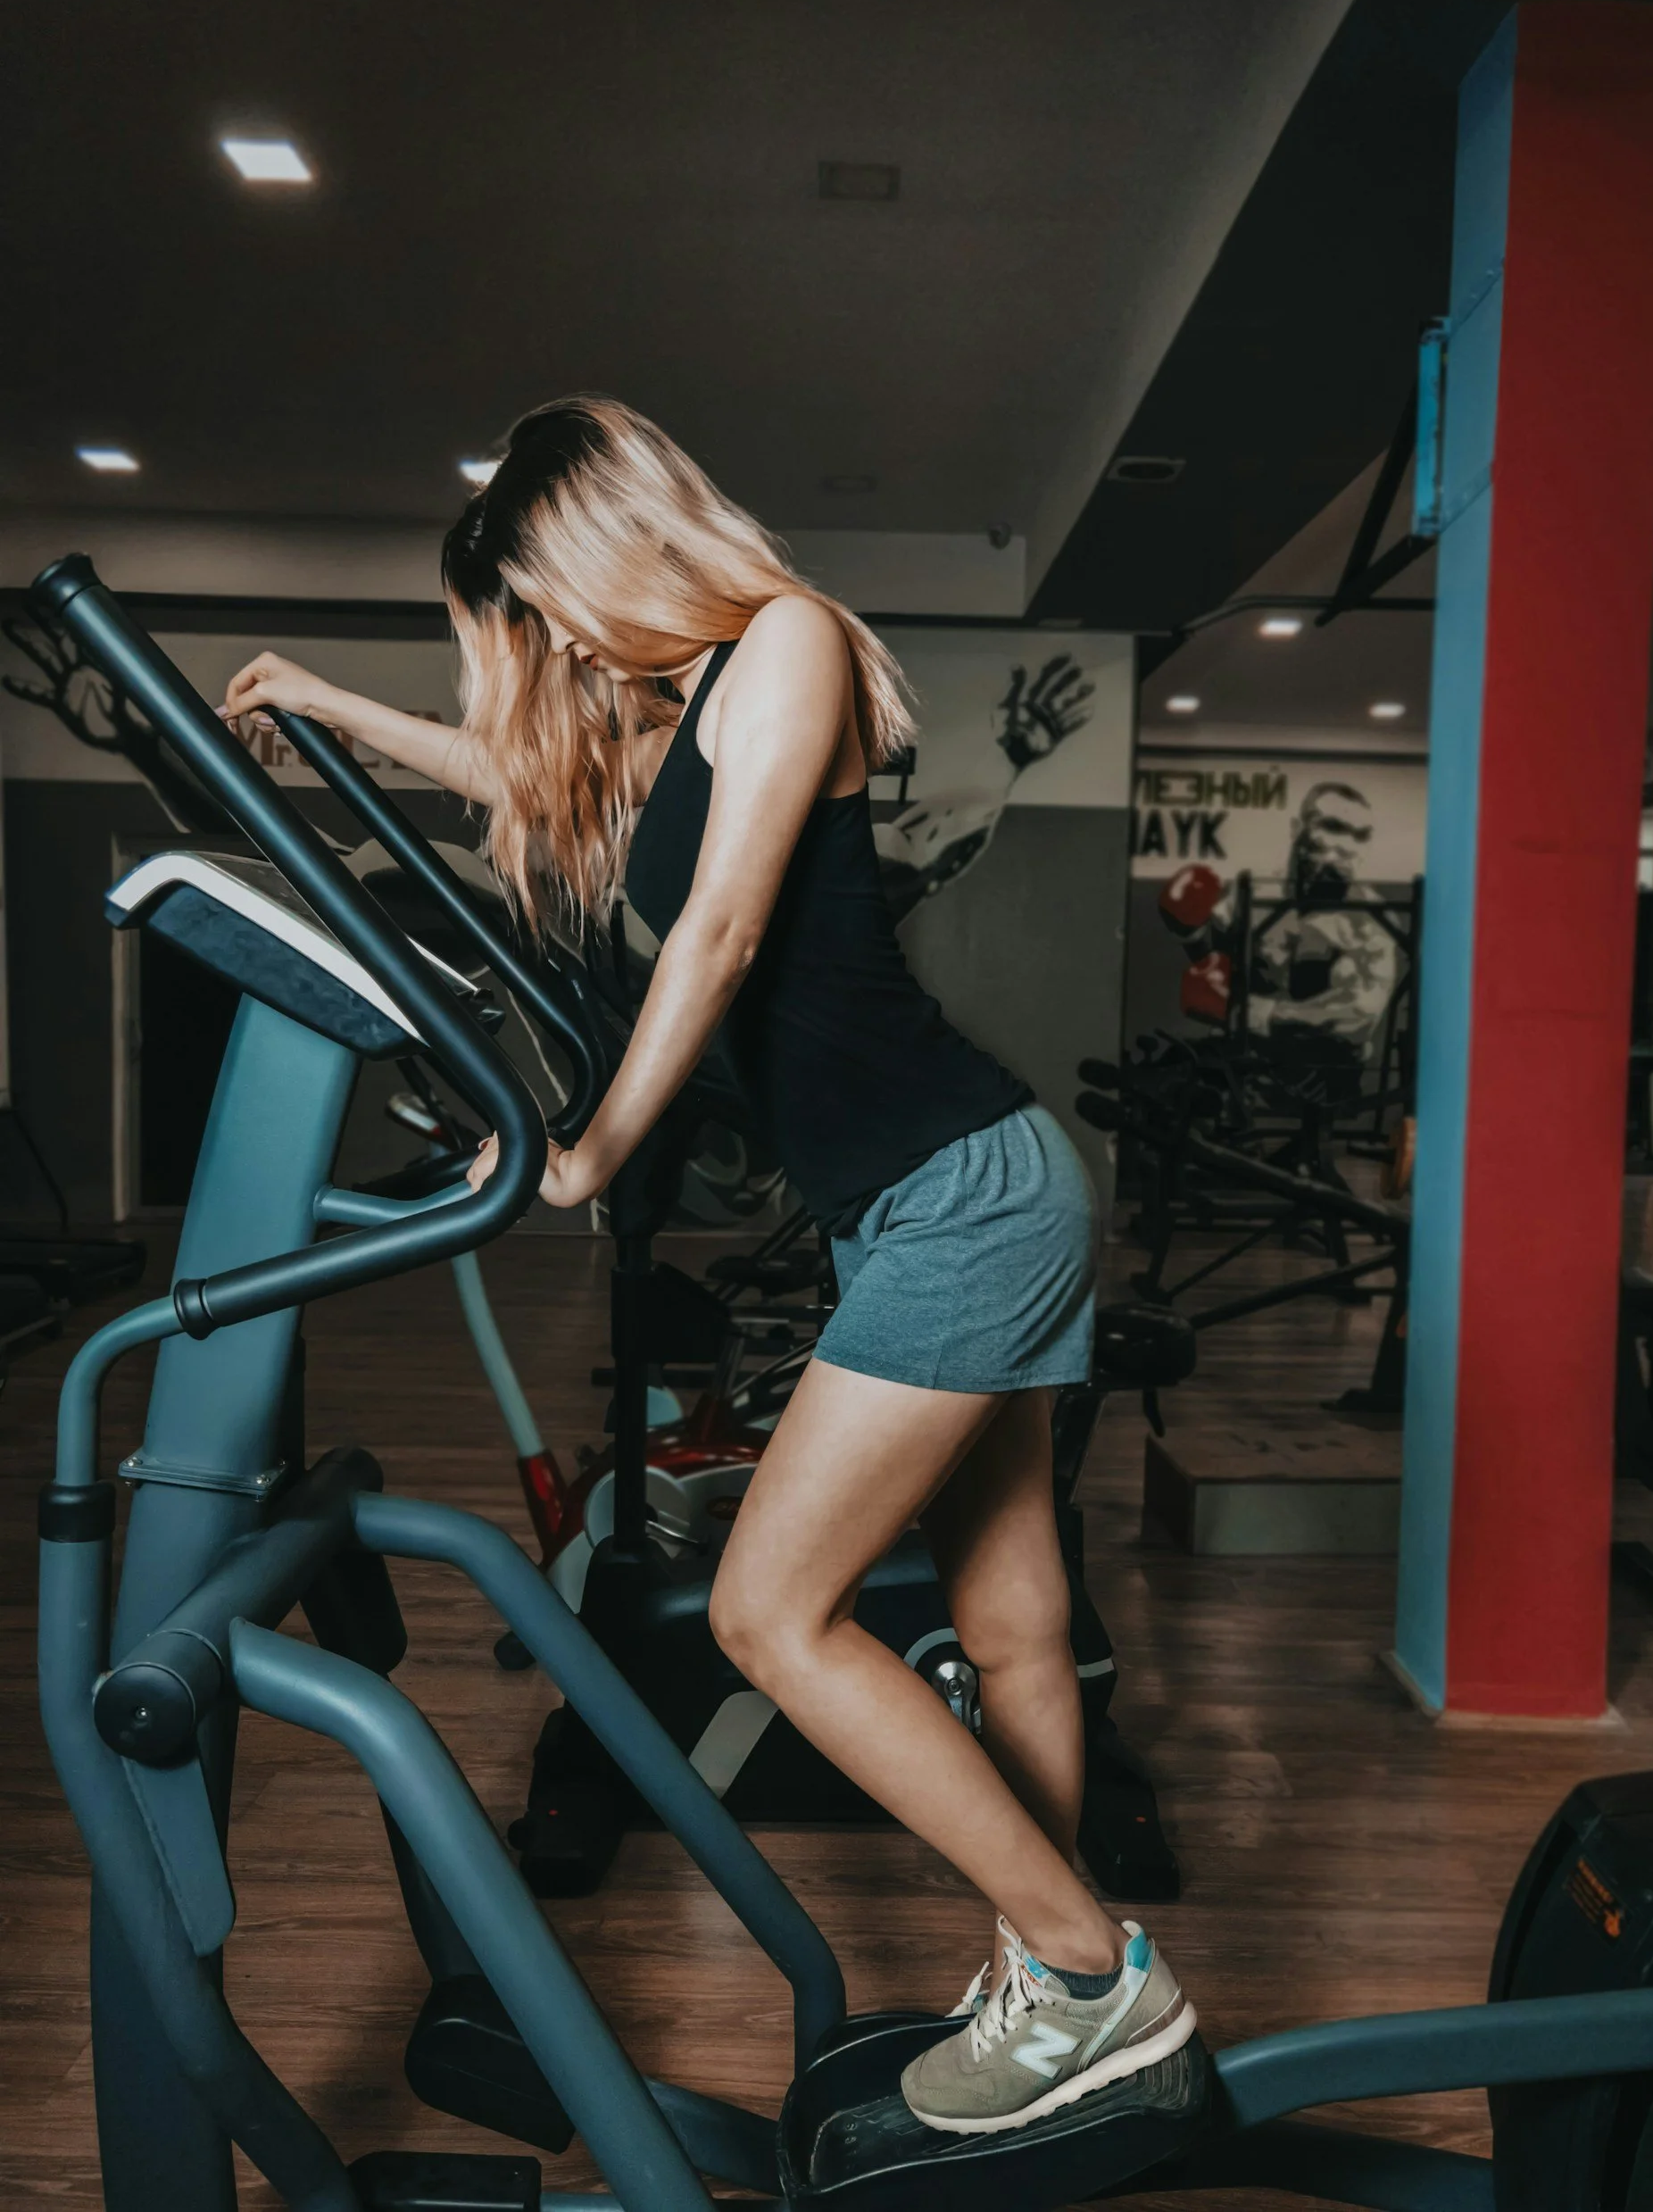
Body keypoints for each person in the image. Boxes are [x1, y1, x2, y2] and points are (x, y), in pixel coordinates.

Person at [221, 395, 1194, 2134]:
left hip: (963, 1193)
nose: (565, 646)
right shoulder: (680, 717)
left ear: (618, 542)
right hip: (931, 1192)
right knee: (1009, 1623)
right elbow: (524, 783)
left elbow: (726, 932)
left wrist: (592, 1149)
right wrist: (327, 705)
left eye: (556, 603)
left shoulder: (787, 642)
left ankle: (1086, 1972)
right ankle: (1046, 1965)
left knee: (766, 1609)